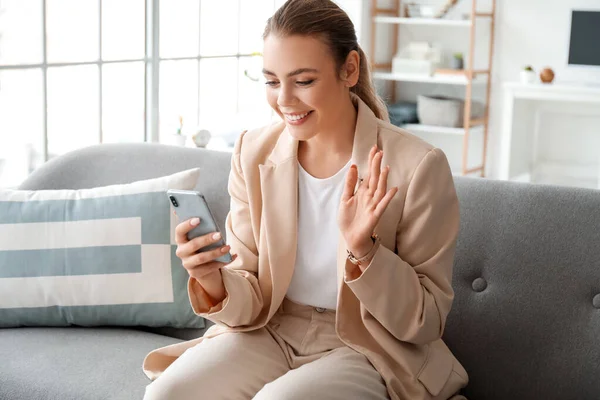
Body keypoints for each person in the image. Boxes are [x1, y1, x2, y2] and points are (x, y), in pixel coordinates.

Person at [142, 0, 468, 399]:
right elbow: (251, 295)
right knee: (167, 394)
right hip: (273, 329)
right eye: (272, 81)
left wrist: (364, 252)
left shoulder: (418, 166)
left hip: (366, 344)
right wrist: (213, 280)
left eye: (303, 81)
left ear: (349, 69)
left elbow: (426, 320)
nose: (284, 100)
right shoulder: (253, 151)